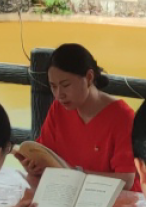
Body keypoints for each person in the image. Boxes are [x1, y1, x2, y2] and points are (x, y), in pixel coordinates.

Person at [17, 43, 139, 191]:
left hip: (113, 198)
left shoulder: (122, 117)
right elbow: (45, 155)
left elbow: (126, 180)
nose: (59, 94)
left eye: (66, 85)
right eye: (53, 86)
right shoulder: (58, 109)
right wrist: (34, 166)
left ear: (89, 77)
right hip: (68, 193)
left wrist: (76, 174)